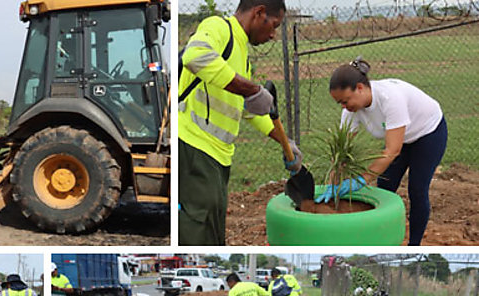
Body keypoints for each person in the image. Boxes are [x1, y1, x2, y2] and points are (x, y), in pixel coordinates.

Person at [178, 0, 302, 246]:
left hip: (218, 157)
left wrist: (286, 142)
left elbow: (251, 111)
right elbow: (195, 56)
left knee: (212, 230)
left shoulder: (243, 56)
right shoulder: (219, 28)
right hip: (194, 146)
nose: (273, 35)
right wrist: (251, 88)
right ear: (259, 13)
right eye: (273, 25)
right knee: (196, 228)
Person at [321, 57, 448, 246]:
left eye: (346, 100)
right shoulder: (351, 110)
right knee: (385, 188)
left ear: (360, 88)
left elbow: (392, 150)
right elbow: (341, 152)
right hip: (400, 138)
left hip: (428, 133)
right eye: (339, 103)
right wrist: (331, 184)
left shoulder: (390, 98)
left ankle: (413, 245)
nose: (344, 106)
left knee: (417, 189)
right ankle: (381, 238)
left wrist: (361, 180)